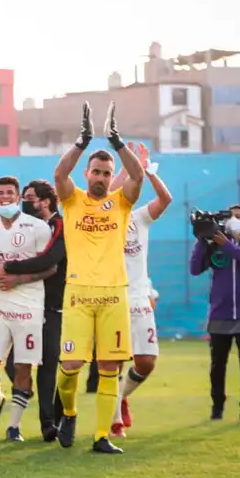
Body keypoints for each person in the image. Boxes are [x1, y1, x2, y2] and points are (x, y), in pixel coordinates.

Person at [52, 102, 144, 454]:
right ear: (87, 173)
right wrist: (83, 141)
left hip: (114, 294)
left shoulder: (121, 203)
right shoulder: (72, 200)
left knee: (110, 367)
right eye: (97, 172)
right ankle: (69, 413)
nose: (102, 178)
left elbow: (137, 177)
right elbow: (60, 174)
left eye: (107, 173)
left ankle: (101, 436)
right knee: (70, 365)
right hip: (78, 293)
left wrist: (117, 142)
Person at [0, 177, 56, 442]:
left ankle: (14, 426)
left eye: (10, 192)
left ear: (18, 197)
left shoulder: (38, 227)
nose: (5, 197)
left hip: (30, 306)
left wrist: (19, 278)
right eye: (0, 193)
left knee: (23, 367)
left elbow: (50, 267)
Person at [109, 142, 172, 436]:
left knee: (146, 362)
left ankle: (121, 397)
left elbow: (165, 199)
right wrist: (127, 166)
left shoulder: (140, 218)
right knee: (113, 361)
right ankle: (114, 421)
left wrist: (148, 171)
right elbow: (108, 194)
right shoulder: (101, 218)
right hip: (111, 298)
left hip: (138, 299)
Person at [0, 179, 67, 441]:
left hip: (52, 306)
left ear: (45, 201)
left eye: (29, 199)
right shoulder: (27, 227)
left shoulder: (58, 225)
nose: (25, 204)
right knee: (13, 363)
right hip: (26, 303)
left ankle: (50, 423)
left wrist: (10, 267)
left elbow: (50, 260)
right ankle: (30, 395)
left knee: (49, 364)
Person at [190, 205, 240, 423]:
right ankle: (217, 407)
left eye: (239, 217)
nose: (234, 220)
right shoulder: (213, 243)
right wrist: (202, 240)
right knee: (217, 365)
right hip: (219, 315)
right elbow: (195, 269)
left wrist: (229, 247)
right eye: (230, 217)